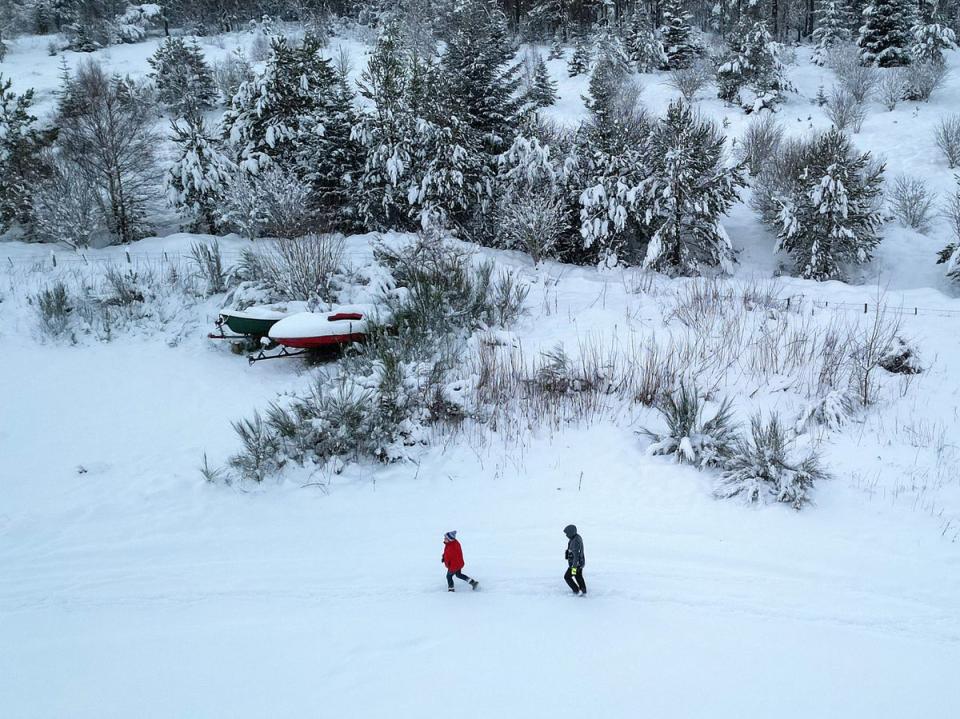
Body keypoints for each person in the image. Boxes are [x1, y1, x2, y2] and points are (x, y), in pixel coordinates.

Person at [563, 524, 586, 595]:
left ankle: (576, 590)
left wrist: (574, 567)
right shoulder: (576, 537)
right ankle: (583, 590)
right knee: (578, 576)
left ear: (571, 532)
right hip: (579, 563)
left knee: (567, 577)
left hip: (575, 564)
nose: (566, 535)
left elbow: (576, 555)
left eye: (567, 533)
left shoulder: (575, 541)